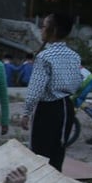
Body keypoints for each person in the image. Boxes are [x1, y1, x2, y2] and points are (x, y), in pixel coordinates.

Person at [20, 12, 82, 171]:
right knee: (58, 151)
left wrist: (26, 112)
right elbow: (77, 82)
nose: (41, 29)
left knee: (40, 153)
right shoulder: (74, 56)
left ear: (53, 31)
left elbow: (36, 88)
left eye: (44, 26)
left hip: (48, 109)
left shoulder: (45, 56)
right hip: (67, 108)